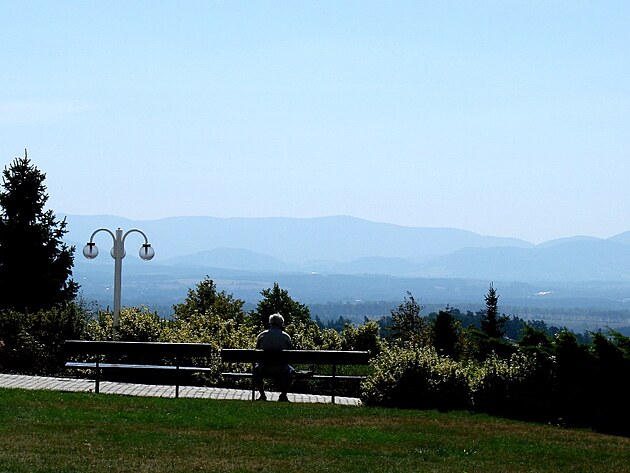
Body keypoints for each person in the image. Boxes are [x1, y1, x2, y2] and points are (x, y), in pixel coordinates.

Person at [254, 313, 295, 402]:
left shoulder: (262, 335)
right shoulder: (285, 336)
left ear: (270, 323)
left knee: (256, 370)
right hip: (281, 369)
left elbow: (257, 351)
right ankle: (283, 395)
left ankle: (262, 395)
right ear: (281, 324)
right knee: (292, 372)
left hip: (264, 368)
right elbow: (290, 353)